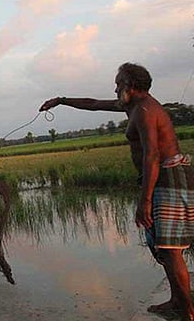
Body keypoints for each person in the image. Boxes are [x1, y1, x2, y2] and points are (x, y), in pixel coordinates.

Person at [39, 62, 194, 320]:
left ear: (131, 86)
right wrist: (61, 100)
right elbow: (94, 103)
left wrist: (144, 202)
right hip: (160, 178)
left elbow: (152, 156)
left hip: (169, 177)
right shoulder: (131, 105)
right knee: (162, 246)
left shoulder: (145, 111)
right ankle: (176, 301)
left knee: (170, 249)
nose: (114, 88)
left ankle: (188, 311)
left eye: (118, 83)